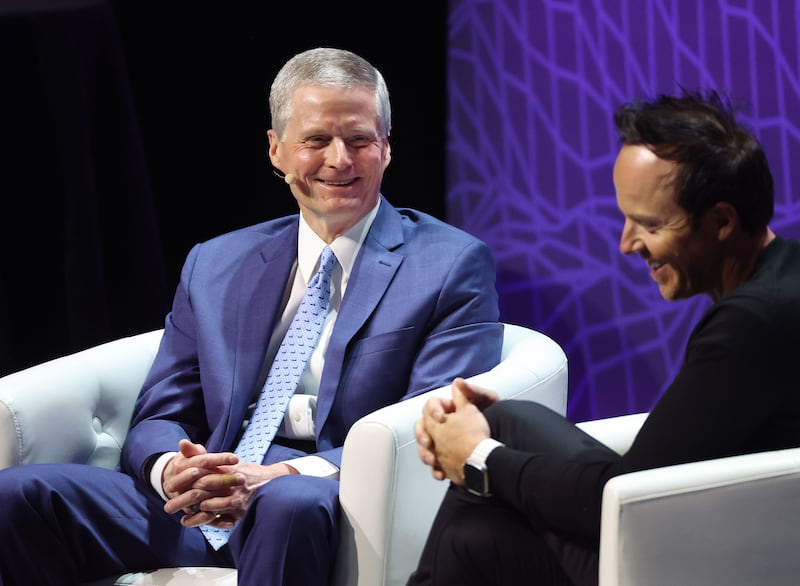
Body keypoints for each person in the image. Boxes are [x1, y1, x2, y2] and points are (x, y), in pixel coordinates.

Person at [0, 47, 504, 585]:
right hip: (207, 495)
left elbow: (426, 426)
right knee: (18, 497)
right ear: (276, 150)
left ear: (385, 148)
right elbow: (161, 411)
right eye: (316, 140)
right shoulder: (217, 263)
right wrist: (176, 469)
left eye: (359, 140)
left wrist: (279, 474)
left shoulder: (449, 264)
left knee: (286, 504)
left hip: (328, 495)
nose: (340, 159)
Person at [407, 89, 800, 586]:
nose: (626, 243)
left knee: (473, 536)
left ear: (722, 221)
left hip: (712, 561)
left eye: (650, 224)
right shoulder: (785, 279)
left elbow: (626, 500)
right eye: (627, 219)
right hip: (717, 525)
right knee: (501, 431)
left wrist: (479, 459)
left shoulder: (751, 327)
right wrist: (486, 441)